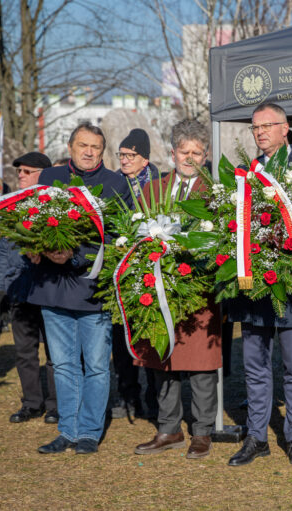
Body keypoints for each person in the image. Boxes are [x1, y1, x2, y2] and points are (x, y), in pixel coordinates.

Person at [227, 103, 292, 467]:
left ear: (286, 128)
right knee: (254, 365)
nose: (261, 132)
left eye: (268, 125)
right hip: (255, 288)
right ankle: (256, 436)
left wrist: (285, 254)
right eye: (255, 127)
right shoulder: (243, 176)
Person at [29, 122, 132, 455]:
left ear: (103, 151)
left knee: (98, 365)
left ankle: (89, 431)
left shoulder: (116, 184)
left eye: (96, 148)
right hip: (52, 287)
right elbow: (29, 223)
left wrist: (75, 255)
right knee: (63, 364)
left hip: (93, 289)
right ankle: (67, 430)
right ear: (71, 147)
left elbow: (121, 237)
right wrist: (42, 248)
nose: (90, 152)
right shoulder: (49, 179)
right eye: (83, 146)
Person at [133, 119, 223, 459]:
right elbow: (136, 233)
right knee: (162, 360)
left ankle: (202, 431)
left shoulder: (215, 192)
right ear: (172, 153)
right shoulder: (153, 189)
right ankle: (168, 429)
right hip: (158, 291)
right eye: (184, 151)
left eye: (197, 152)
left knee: (201, 364)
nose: (190, 158)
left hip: (199, 292)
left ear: (206, 154)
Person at [0, 152, 59, 423]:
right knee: (24, 352)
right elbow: (4, 252)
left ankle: (55, 406)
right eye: (19, 171)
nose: (20, 175)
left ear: (43, 174)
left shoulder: (54, 207)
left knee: (54, 354)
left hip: (48, 291)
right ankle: (32, 402)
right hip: (20, 291)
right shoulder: (10, 207)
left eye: (27, 171)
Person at [111, 128, 160, 420]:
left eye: (131, 155)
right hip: (119, 267)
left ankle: (154, 395)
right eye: (122, 155)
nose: (125, 160)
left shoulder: (159, 183)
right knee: (121, 336)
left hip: (149, 268)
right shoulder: (114, 183)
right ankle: (128, 395)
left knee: (150, 333)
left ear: (145, 159)